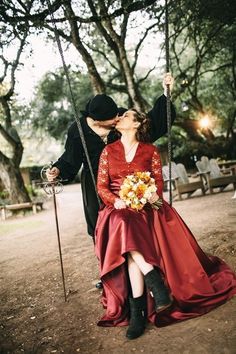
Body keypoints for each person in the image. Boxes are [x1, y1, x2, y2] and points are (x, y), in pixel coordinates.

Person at [95, 109, 236, 339]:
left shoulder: (150, 150)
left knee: (130, 245)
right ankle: (155, 284)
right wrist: (116, 200)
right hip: (117, 209)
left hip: (146, 209)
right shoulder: (108, 152)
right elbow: (102, 187)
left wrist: (151, 196)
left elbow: (158, 183)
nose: (120, 117)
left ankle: (139, 314)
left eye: (127, 115)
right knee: (123, 223)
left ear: (138, 124)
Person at [46, 73, 176, 241]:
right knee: (100, 225)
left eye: (118, 115)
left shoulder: (119, 118)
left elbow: (147, 124)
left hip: (123, 180)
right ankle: (109, 261)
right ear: (97, 121)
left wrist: (166, 94)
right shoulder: (77, 131)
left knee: (132, 221)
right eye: (113, 119)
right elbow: (70, 158)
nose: (118, 119)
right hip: (94, 183)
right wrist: (57, 170)